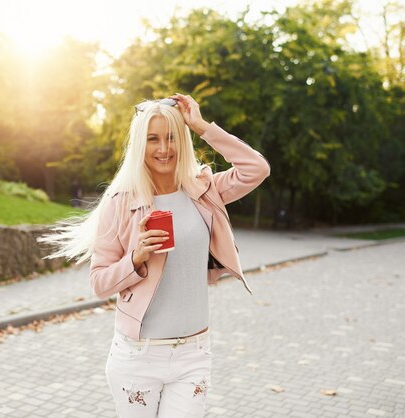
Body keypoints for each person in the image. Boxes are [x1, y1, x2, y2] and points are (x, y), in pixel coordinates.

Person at [39, 93, 270, 417]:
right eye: (153, 139)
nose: (164, 148)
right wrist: (134, 258)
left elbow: (256, 169)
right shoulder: (120, 202)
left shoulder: (205, 190)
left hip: (193, 353)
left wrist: (202, 125)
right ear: (140, 145)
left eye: (172, 137)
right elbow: (99, 283)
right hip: (138, 358)